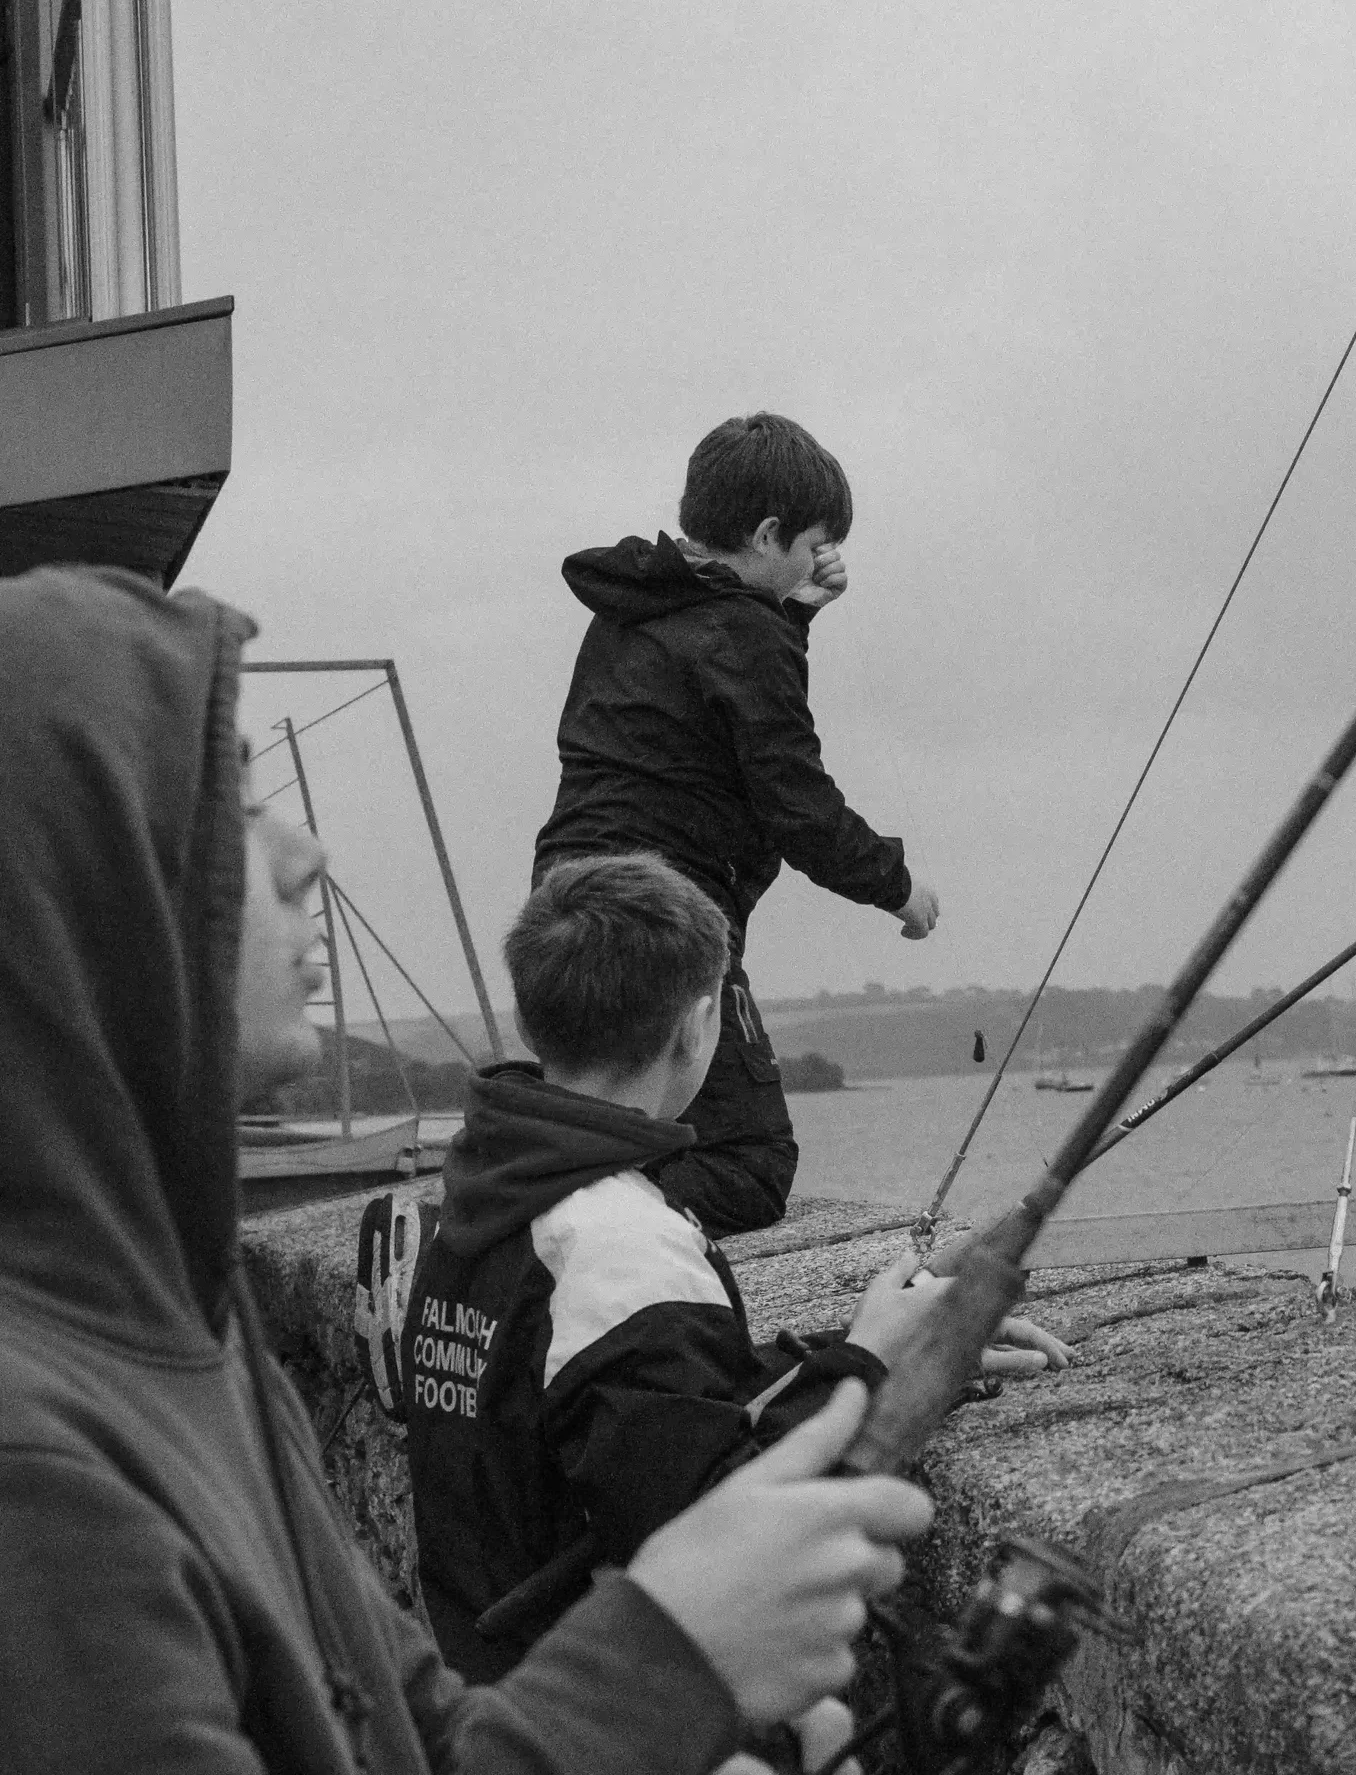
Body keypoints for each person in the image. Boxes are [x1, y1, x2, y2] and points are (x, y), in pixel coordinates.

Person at [0, 567, 927, 1772]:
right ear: (71, 881)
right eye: (225, 795)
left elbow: (414, 1736)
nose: (305, 853)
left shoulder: (193, 1321)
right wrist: (666, 1665)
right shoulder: (38, 1479)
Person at [405, 853, 1066, 1678]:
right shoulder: (617, 1243)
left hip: (498, 1679)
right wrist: (861, 1368)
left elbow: (646, 1408)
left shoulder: (486, 1198)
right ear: (697, 1022)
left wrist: (902, 1352)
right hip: (608, 1711)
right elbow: (717, 1524)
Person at [535, 412, 938, 1237]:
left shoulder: (629, 605)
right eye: (812, 542)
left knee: (608, 1128)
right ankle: (564, 1236)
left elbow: (715, 684)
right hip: (664, 923)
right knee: (749, 1163)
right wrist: (900, 888)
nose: (820, 560)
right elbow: (796, 803)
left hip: (564, 908)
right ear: (765, 532)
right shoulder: (745, 631)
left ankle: (532, 1211)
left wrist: (792, 611)